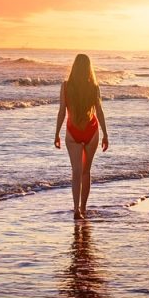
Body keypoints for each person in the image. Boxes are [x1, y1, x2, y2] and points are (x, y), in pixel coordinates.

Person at [54, 53, 109, 220]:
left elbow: (62, 111)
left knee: (76, 172)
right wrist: (106, 134)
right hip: (91, 131)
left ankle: (76, 210)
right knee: (86, 172)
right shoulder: (94, 87)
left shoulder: (65, 86)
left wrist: (56, 133)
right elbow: (99, 112)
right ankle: (84, 208)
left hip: (72, 132)